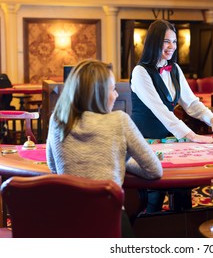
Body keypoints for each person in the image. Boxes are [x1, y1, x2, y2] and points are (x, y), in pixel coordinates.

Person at [46, 59, 163, 236]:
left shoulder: (57, 120)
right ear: (98, 94)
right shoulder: (119, 120)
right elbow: (154, 170)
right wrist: (121, 161)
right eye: (112, 89)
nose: (116, 95)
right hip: (109, 218)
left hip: (67, 222)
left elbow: (54, 167)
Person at [130, 19, 213, 212]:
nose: (172, 47)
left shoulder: (175, 69)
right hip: (146, 141)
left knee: (182, 186)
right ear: (154, 42)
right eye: (166, 41)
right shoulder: (140, 72)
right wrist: (193, 136)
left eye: (174, 42)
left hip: (169, 139)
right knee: (154, 194)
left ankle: (183, 228)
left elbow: (191, 103)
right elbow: (161, 111)